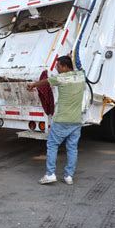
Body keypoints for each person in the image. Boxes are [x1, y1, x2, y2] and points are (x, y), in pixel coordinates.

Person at [27, 55, 85, 185]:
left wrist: (32, 84)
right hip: (76, 121)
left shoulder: (61, 78)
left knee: (52, 145)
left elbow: (46, 81)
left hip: (62, 120)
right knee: (72, 148)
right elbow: (77, 68)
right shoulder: (81, 76)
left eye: (58, 66)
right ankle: (69, 176)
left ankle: (50, 174)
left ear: (64, 67)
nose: (57, 69)